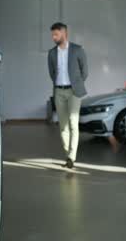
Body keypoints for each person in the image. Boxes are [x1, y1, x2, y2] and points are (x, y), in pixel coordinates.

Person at [48, 22, 88, 169]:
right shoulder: (52, 53)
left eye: (56, 34)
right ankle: (67, 155)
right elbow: (52, 72)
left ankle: (71, 157)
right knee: (63, 126)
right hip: (58, 91)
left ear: (64, 34)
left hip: (74, 91)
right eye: (52, 35)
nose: (53, 37)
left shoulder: (78, 50)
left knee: (73, 122)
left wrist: (76, 84)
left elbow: (85, 71)